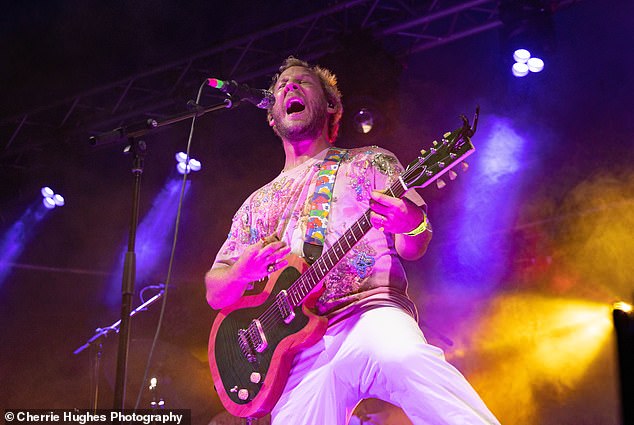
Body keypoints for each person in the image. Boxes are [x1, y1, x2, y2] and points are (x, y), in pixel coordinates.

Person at [205, 56, 500, 425]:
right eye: (282, 86)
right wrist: (240, 273)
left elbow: (415, 245)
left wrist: (409, 222)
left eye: (303, 82)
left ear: (331, 105)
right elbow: (216, 293)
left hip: (370, 314)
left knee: (406, 360)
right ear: (271, 114)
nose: (289, 88)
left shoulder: (371, 162)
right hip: (296, 352)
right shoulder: (254, 205)